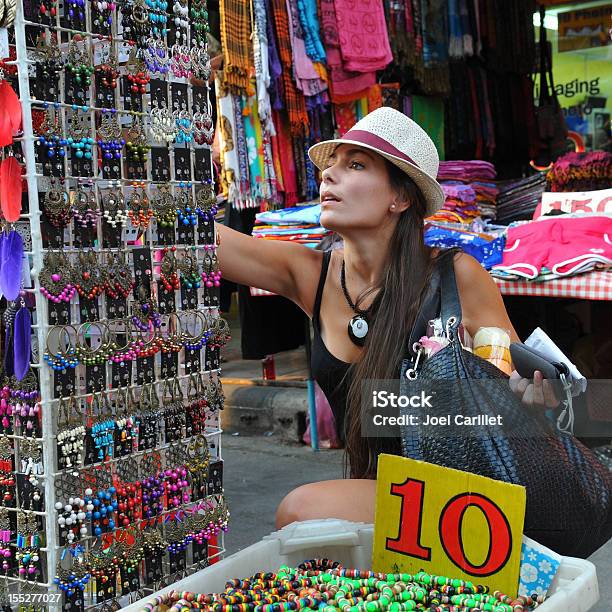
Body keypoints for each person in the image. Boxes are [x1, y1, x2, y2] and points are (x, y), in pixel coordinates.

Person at [214, 107, 558, 528]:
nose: (329, 176)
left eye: (355, 165)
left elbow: (523, 382)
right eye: (331, 165)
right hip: (380, 494)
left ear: (401, 198)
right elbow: (203, 243)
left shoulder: (457, 275)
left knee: (300, 511)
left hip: (466, 500)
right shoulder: (313, 274)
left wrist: (533, 399)